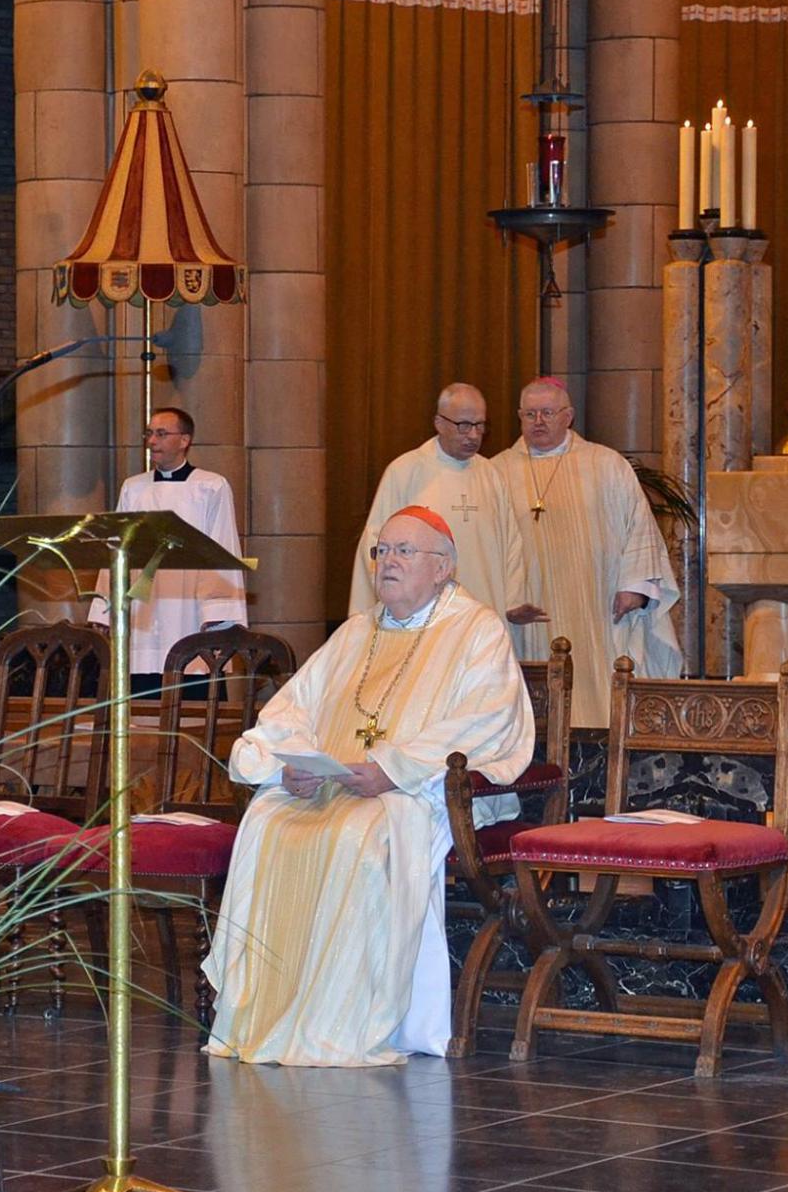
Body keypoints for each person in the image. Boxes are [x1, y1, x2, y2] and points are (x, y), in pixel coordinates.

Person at [204, 506, 533, 1067]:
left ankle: (346, 1017)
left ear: (443, 567)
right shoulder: (357, 631)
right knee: (268, 821)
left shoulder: (477, 630)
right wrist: (288, 765)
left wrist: (393, 769)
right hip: (337, 786)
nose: (389, 562)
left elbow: (485, 717)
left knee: (360, 837)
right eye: (383, 551)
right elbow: (293, 708)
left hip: (422, 793)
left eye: (405, 551)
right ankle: (266, 1014)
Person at [491, 376, 683, 727]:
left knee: (597, 690)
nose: (538, 422)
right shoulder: (496, 472)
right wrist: (506, 600)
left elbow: (639, 526)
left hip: (597, 605)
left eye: (547, 413)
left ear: (569, 416)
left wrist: (635, 588)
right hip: (530, 614)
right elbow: (485, 547)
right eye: (529, 414)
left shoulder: (606, 465)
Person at [89, 406, 247, 692]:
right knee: (140, 697)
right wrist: (104, 609)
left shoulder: (210, 486)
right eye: (149, 433)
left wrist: (218, 614)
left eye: (161, 434)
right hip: (142, 613)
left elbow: (222, 547)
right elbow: (116, 547)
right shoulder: (133, 488)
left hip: (190, 613)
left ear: (184, 440)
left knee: (192, 696)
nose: (152, 441)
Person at [348, 383, 525, 629]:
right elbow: (376, 541)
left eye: (480, 426)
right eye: (464, 426)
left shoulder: (491, 475)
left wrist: (513, 600)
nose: (473, 435)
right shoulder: (406, 471)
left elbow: (512, 545)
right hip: (422, 616)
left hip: (484, 614)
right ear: (439, 423)